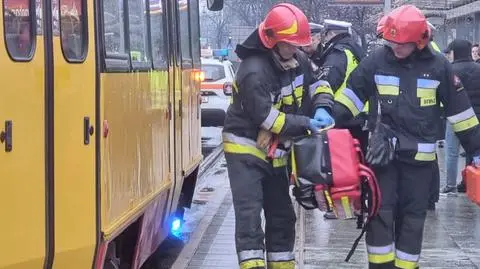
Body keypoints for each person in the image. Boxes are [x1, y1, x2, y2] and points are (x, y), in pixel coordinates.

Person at [333, 5, 480, 268]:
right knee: (379, 213)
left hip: (420, 164)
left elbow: (462, 114)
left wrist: (477, 150)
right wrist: (329, 117)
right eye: (390, 42)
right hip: (383, 158)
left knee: (413, 220)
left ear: (420, 41)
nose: (395, 48)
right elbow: (352, 96)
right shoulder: (377, 61)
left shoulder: (439, 68)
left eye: (401, 44)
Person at [222, 3, 335, 269]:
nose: (295, 49)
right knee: (250, 217)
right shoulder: (253, 71)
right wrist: (307, 122)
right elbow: (269, 119)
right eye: (289, 44)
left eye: (298, 44)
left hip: (277, 150)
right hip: (246, 150)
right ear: (271, 41)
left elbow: (320, 83)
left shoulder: (298, 59)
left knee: (282, 216)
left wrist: (322, 105)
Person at [441, 39, 480, 195]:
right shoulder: (478, 69)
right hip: (476, 116)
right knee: (473, 151)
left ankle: (450, 185)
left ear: (455, 52)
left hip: (455, 116)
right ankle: (470, 183)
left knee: (451, 152)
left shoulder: (450, 70)